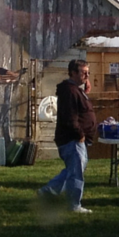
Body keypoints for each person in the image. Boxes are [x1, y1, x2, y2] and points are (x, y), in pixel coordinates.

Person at [38, 58, 96, 214]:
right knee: (76, 173)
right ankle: (74, 205)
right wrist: (79, 134)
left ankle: (48, 191)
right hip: (73, 138)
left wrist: (84, 91)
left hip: (75, 138)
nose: (87, 76)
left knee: (72, 169)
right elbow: (70, 116)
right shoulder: (70, 91)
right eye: (84, 73)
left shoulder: (75, 90)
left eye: (88, 73)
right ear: (73, 73)